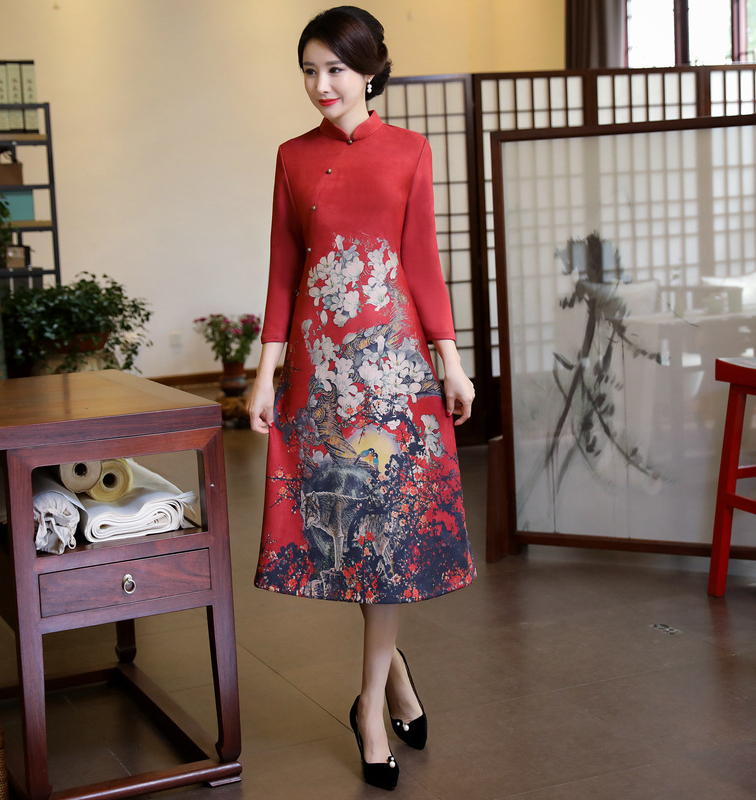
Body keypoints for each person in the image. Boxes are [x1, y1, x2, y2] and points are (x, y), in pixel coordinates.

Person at [247, 6, 476, 790]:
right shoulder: (292, 157)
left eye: (336, 70)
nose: (322, 85)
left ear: (371, 70)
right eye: (310, 71)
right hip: (322, 376)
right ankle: (395, 678)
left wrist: (451, 363)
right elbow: (283, 270)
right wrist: (264, 373)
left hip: (395, 373)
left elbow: (423, 262)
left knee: (387, 537)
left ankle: (371, 707)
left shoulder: (410, 150)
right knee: (348, 535)